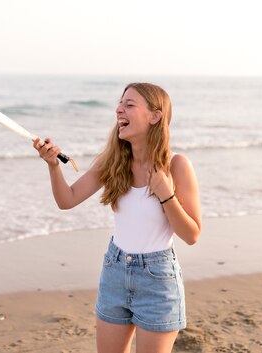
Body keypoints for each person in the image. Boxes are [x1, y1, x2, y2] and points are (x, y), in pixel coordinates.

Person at [32, 82, 201, 353]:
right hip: (115, 270)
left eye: (129, 105)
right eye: (120, 103)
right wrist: (53, 166)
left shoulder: (176, 165)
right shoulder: (112, 162)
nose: (118, 109)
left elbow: (192, 235)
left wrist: (166, 195)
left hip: (157, 280)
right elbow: (67, 200)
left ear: (155, 116)